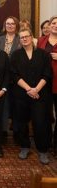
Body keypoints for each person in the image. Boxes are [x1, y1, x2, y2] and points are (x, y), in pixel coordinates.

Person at [11, 28, 52, 164]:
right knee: (21, 122)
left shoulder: (43, 54)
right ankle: (24, 146)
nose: (24, 39)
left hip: (40, 94)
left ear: (32, 37)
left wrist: (36, 90)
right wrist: (29, 89)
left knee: (40, 122)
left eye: (26, 36)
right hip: (22, 94)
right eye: (21, 37)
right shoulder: (15, 55)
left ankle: (42, 150)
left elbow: (47, 74)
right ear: (19, 40)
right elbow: (14, 75)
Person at [0, 16, 21, 141]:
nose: (10, 25)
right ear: (4, 25)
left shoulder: (21, 39)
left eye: (12, 24)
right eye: (8, 23)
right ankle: (3, 131)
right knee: (4, 106)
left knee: (17, 106)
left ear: (16, 26)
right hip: (2, 78)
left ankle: (17, 131)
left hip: (18, 78)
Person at [37, 16, 57, 155]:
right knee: (45, 115)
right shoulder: (40, 40)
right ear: (49, 26)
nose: (56, 25)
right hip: (43, 83)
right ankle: (46, 143)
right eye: (54, 23)